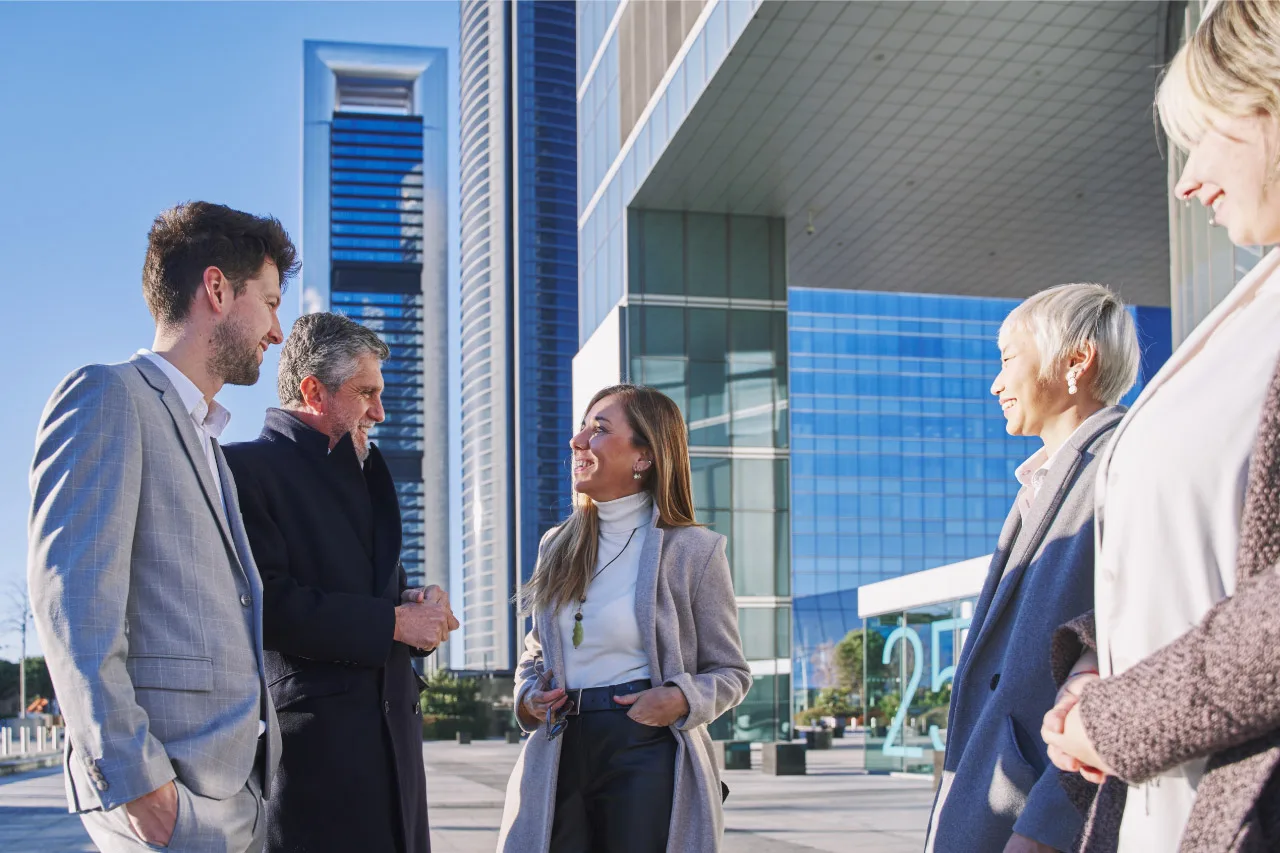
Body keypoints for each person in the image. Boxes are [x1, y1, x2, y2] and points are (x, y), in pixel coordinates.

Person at [1040, 3, 1280, 849]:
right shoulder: (1249, 305)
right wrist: (1096, 660)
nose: (1186, 181)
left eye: (1207, 134)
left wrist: (1121, 715)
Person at [28, 201, 295, 852]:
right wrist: (142, 789)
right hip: (170, 808)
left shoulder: (212, 446)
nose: (278, 330)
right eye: (269, 301)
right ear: (216, 289)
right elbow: (73, 610)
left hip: (240, 801)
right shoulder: (107, 396)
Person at [223, 312, 458, 853]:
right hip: (315, 754)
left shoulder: (365, 470)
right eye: (365, 393)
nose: (379, 411)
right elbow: (266, 605)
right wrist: (394, 622)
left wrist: (416, 601)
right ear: (313, 391)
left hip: (396, 742)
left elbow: (373, 590)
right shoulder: (242, 470)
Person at [924, 284, 1140, 853]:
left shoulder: (1125, 463)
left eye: (1007, 359)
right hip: (996, 799)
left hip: (1036, 813)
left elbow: (1125, 653)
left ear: (1076, 360)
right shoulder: (1039, 484)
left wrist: (1047, 827)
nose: (996, 383)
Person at [497, 384, 751, 853]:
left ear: (644, 456)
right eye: (580, 428)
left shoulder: (694, 550)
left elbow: (731, 672)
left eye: (599, 429)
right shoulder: (556, 544)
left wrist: (678, 699)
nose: (577, 441)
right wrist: (529, 697)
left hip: (645, 747)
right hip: (559, 746)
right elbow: (536, 653)